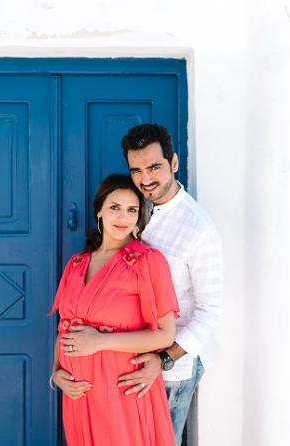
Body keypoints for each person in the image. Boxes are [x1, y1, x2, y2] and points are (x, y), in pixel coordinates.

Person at [49, 174, 180, 446]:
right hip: (80, 397)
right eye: (115, 207)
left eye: (132, 210)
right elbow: (65, 328)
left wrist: (100, 342)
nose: (123, 217)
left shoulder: (148, 262)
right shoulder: (76, 264)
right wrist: (56, 374)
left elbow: (165, 335)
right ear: (99, 211)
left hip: (122, 392)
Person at [117, 124, 223, 446]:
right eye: (136, 170)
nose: (145, 179)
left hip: (174, 366)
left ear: (174, 163)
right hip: (133, 355)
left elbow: (209, 312)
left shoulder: (199, 229)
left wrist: (164, 359)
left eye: (154, 167)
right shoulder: (135, 208)